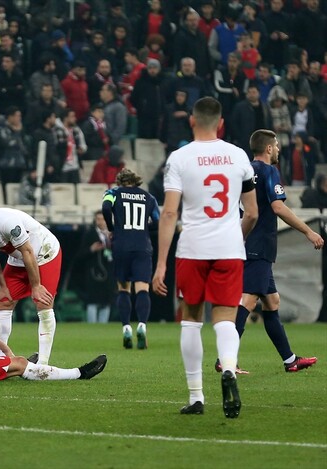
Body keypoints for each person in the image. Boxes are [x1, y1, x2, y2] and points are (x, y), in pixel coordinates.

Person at [152, 97, 258, 418]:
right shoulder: (239, 155)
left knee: (191, 320)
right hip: (229, 248)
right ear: (222, 123)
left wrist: (160, 264)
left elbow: (170, 212)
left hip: (193, 250)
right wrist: (232, 240)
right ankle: (227, 368)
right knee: (225, 318)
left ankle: (196, 396)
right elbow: (252, 213)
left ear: (192, 121)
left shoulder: (179, 158)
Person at [217, 129, 321, 373]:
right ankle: (225, 359)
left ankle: (290, 360)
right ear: (268, 148)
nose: (278, 149)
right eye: (275, 145)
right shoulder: (268, 171)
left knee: (272, 301)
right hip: (259, 244)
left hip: (247, 242)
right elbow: (278, 206)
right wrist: (308, 231)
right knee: (248, 300)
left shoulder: (244, 171)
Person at [0, 207, 61, 366]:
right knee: (3, 301)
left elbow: (28, 251)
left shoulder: (9, 224)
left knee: (43, 302)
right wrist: (2, 285)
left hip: (44, 253)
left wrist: (36, 286)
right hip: (18, 257)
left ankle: (42, 365)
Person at [102, 168, 160, 349]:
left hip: (121, 246)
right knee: (142, 288)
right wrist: (142, 228)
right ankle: (142, 325)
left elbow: (105, 208)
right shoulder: (149, 197)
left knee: (124, 288)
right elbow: (157, 221)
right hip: (142, 247)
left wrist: (112, 228)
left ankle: (126, 327)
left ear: (120, 182)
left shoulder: (113, 193)